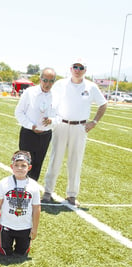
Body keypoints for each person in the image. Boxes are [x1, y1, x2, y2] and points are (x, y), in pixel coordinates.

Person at [42, 58, 107, 207]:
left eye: (81, 67)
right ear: (70, 69)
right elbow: (48, 97)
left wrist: (94, 122)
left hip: (80, 127)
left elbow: (103, 104)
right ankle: (47, 192)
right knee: (55, 159)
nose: (78, 70)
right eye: (75, 67)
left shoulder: (91, 87)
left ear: (85, 70)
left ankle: (72, 195)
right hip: (61, 125)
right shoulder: (60, 84)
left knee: (75, 161)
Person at [0, 151, 41, 256]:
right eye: (16, 165)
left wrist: (35, 228)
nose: (19, 168)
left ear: (29, 167)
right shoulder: (4, 183)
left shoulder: (34, 186)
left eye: (23, 166)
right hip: (7, 225)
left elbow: (36, 208)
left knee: (22, 253)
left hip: (25, 227)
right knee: (4, 252)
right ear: (11, 166)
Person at [14, 67, 57, 181]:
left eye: (51, 81)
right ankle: (20, 190)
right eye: (45, 80)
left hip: (45, 135)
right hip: (28, 134)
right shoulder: (29, 92)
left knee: (37, 165)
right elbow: (19, 112)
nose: (47, 84)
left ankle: (31, 192)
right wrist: (30, 125)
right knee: (23, 164)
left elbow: (60, 116)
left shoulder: (57, 96)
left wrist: (52, 120)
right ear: (40, 79)